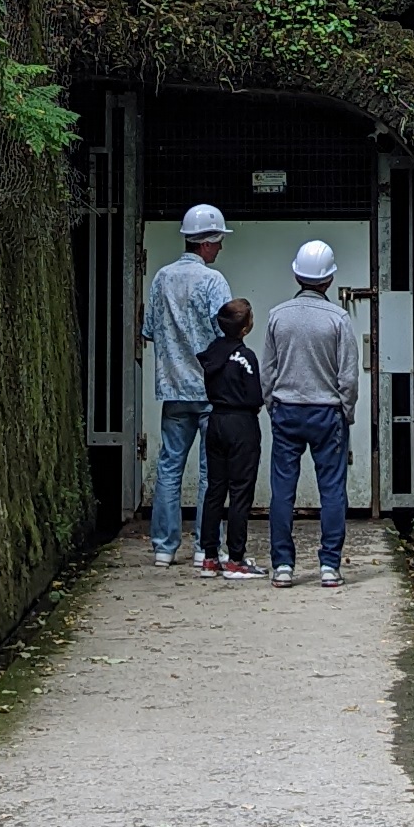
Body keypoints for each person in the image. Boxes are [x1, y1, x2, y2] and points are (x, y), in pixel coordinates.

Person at [263, 238, 360, 588]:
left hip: (287, 409)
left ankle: (283, 566)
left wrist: (272, 404)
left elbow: (268, 371)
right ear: (329, 279)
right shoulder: (338, 318)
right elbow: (348, 375)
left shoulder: (277, 316)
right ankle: (330, 565)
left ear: (296, 275)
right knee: (332, 489)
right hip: (327, 411)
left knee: (282, 490)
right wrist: (345, 411)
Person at [144, 202, 230, 564]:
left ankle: (164, 548)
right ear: (207, 243)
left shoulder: (162, 278)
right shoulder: (214, 281)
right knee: (212, 471)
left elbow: (149, 329)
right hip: (210, 389)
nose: (221, 247)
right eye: (219, 240)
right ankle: (205, 547)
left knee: (169, 468)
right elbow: (227, 333)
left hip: (174, 388)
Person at [198, 297, 265, 577]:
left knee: (215, 489)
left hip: (215, 421)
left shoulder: (212, 352)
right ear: (245, 328)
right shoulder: (244, 357)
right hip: (241, 424)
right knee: (240, 492)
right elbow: (255, 397)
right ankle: (236, 558)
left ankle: (209, 555)